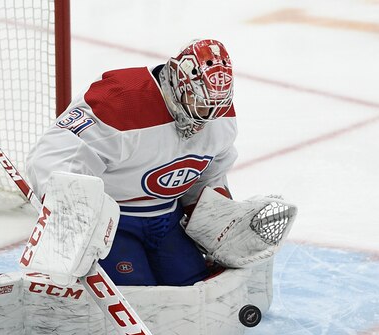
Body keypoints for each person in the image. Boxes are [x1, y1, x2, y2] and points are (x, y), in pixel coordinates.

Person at [26, 39, 238, 287]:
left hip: (168, 219)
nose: (204, 118)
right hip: (112, 223)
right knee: (136, 293)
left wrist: (216, 217)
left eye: (214, 107)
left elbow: (209, 175)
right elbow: (53, 156)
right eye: (199, 104)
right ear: (178, 83)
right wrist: (73, 209)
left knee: (195, 285)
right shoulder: (120, 100)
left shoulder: (218, 114)